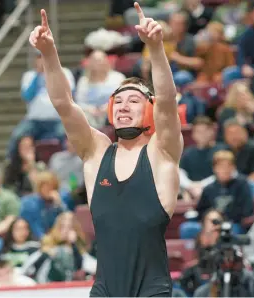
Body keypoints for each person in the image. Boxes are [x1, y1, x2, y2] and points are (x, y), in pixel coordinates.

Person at [28, 2, 182, 296]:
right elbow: (64, 104)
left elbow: (166, 101)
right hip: (104, 290)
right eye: (119, 101)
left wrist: (156, 48)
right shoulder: (97, 152)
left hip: (151, 290)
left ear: (148, 111)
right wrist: (48, 53)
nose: (124, 105)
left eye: (134, 100)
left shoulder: (161, 152)